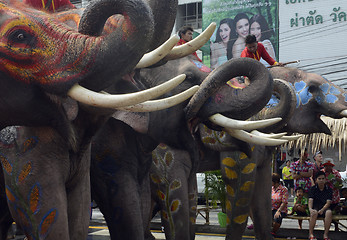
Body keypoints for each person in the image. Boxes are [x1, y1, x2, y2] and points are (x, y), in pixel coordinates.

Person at [308, 171, 333, 240]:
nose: (321, 180)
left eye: (323, 178)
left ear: (325, 179)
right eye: (319, 179)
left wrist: (322, 210)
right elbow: (310, 200)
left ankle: (325, 235)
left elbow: (328, 202)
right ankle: (311, 234)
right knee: (313, 213)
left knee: (329, 213)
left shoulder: (329, 189)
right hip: (315, 206)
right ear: (316, 180)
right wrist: (310, 209)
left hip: (325, 208)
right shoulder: (312, 189)